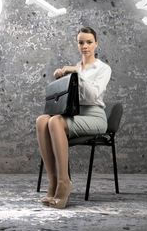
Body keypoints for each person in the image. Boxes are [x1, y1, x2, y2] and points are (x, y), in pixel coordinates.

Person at [36, 26, 111, 209]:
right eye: (81, 42)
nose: (85, 46)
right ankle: (53, 181)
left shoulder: (103, 68)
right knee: (42, 120)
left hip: (95, 117)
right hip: (75, 115)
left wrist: (77, 75)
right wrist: (60, 80)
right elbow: (68, 98)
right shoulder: (75, 67)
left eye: (89, 42)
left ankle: (64, 183)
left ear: (96, 44)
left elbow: (93, 96)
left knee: (55, 121)